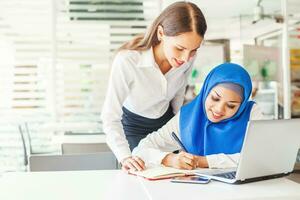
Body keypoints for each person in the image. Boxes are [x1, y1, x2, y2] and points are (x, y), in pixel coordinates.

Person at [101, 1, 207, 172]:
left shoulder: (186, 59)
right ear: (161, 33)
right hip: (133, 129)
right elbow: (110, 116)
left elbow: (177, 100)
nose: (186, 58)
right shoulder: (128, 61)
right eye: (180, 48)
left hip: (165, 127)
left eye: (194, 50)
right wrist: (125, 156)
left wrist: (184, 137)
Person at [132, 63, 263, 170]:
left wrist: (204, 161)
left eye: (231, 106)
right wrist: (169, 159)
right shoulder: (187, 118)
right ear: (206, 90)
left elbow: (261, 156)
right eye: (215, 98)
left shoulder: (251, 113)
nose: (219, 109)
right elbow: (140, 149)